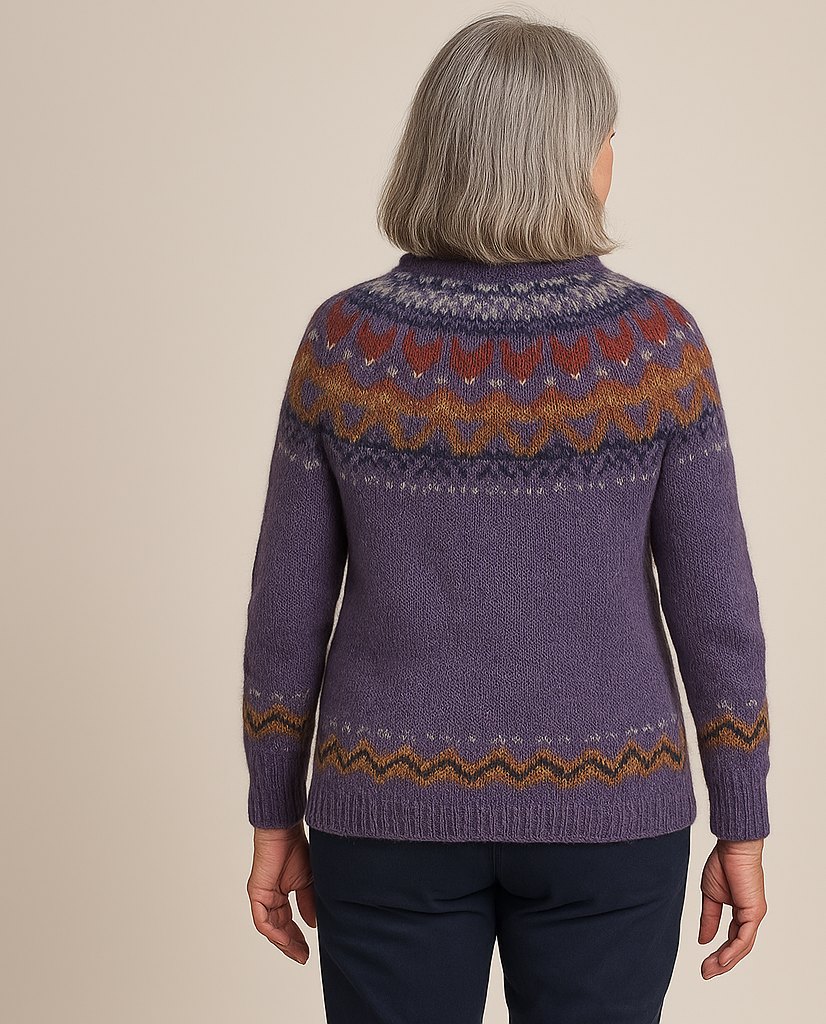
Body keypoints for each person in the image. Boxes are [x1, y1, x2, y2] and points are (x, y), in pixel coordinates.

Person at [242, 11, 770, 1022]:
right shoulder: (654, 346)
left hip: (383, 808)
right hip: (611, 809)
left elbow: (285, 610)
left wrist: (273, 813)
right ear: (572, 159)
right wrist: (740, 820)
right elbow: (717, 610)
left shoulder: (346, 344)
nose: (613, 158)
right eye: (605, 137)